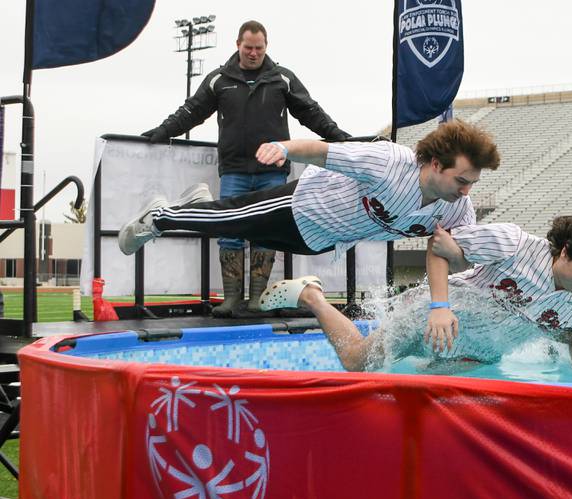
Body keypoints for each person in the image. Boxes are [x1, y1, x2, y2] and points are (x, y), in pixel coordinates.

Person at [119, 119, 501, 343]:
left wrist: (456, 260)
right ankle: (158, 218)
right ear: (435, 164)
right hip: (299, 206)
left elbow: (460, 259)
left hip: (317, 240)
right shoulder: (388, 163)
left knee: (227, 220)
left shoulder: (457, 209)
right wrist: (283, 148)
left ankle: (197, 205)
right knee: (227, 223)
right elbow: (323, 151)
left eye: (472, 183)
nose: (467, 190)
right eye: (462, 180)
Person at [140, 20, 350, 317]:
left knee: (267, 229)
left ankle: (257, 299)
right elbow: (192, 110)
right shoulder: (219, 80)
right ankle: (232, 299)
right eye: (248, 48)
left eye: (259, 48)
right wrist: (164, 131)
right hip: (235, 171)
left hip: (273, 172)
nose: (253, 53)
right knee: (228, 230)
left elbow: (310, 111)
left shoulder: (282, 78)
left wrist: (338, 138)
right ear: (238, 45)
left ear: (266, 47)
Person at [254, 211, 572, 371]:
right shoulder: (513, 243)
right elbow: (438, 247)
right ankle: (311, 295)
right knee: (358, 362)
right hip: (430, 320)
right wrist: (439, 306)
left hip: (477, 354)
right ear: (565, 252)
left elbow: (557, 329)